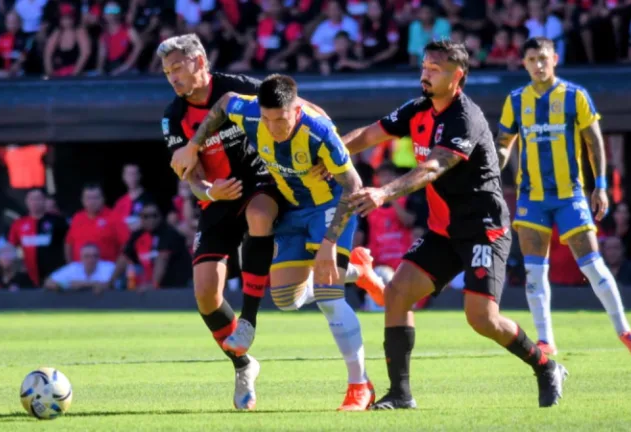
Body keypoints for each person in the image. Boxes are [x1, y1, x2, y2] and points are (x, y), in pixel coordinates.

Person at [342, 40, 567, 409]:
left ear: (457, 75)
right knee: (397, 294)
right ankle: (400, 394)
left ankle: (546, 367)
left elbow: (434, 167)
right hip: (443, 232)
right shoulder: (417, 109)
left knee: (481, 319)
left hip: (483, 229)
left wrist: (384, 193)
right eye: (425, 66)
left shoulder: (466, 118)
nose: (425, 74)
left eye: (435, 68)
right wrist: (331, 154)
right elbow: (369, 134)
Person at [172, 74, 386, 411]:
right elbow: (226, 101)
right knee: (286, 299)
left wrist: (330, 244)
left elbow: (354, 186)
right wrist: (194, 144)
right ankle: (357, 270)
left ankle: (360, 386)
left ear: (296, 110)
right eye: (268, 118)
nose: (274, 127)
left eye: (281, 119)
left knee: (329, 296)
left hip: (330, 208)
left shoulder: (320, 133)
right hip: (292, 210)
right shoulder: (252, 113)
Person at [158, 34, 306, 410]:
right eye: (166, 71)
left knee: (259, 215)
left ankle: (250, 320)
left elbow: (292, 106)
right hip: (219, 200)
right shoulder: (173, 117)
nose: (172, 77)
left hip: (260, 181)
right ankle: (243, 364)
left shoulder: (240, 88)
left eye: (177, 67)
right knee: (206, 294)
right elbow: (188, 173)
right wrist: (209, 192)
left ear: (200, 61)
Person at [495, 37, 631, 356]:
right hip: (532, 197)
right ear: (523, 62)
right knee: (534, 271)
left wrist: (601, 186)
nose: (538, 64)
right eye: (532, 59)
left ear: (555, 59)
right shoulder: (516, 100)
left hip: (570, 196)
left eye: (543, 58)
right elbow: (504, 141)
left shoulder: (574, 96)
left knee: (592, 265)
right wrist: (495, 163)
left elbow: (594, 142)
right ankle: (545, 339)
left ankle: (625, 331)